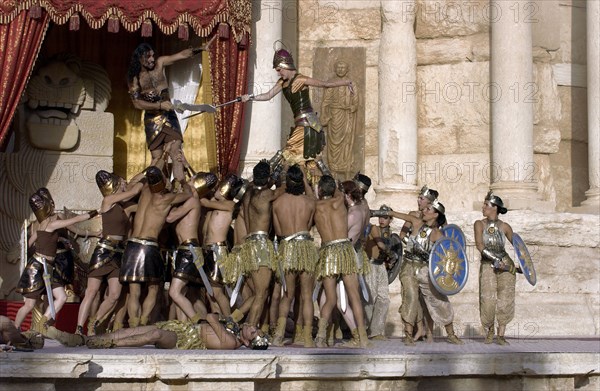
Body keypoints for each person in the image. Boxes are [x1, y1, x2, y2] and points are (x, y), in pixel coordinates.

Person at [241, 47, 354, 167]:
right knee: (302, 161)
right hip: (300, 123)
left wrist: (347, 82)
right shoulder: (282, 82)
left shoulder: (300, 79)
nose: (279, 73)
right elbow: (268, 95)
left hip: (307, 123)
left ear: (286, 66)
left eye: (279, 70)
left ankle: (266, 172)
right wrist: (250, 97)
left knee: (287, 151)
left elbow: (324, 84)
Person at [127, 42, 211, 190]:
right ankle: (154, 191)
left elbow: (182, 55)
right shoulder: (134, 77)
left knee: (176, 152)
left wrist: (201, 49)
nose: (153, 59)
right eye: (148, 56)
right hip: (152, 120)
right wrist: (159, 106)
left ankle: (180, 189)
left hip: (169, 116)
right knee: (157, 159)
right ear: (140, 58)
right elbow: (137, 104)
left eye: (153, 55)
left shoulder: (160, 64)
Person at [15, 189, 98, 332]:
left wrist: (51, 241)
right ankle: (14, 331)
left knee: (62, 297)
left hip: (48, 267)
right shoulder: (50, 224)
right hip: (38, 267)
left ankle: (42, 324)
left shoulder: (41, 224)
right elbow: (75, 220)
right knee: (29, 305)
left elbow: (29, 243)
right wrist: (96, 211)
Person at [120, 165, 192, 328]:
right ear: (163, 181)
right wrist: (182, 180)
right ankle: (144, 321)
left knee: (134, 291)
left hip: (132, 245)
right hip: (148, 246)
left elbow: (137, 180)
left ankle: (133, 326)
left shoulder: (144, 190)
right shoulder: (166, 198)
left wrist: (156, 163)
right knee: (153, 289)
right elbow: (188, 195)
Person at [384, 201, 463, 345]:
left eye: (428, 209)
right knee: (411, 298)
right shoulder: (416, 222)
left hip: (425, 270)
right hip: (408, 268)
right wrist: (386, 212)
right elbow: (399, 215)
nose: (424, 211)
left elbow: (448, 257)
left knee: (439, 300)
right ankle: (408, 335)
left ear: (435, 214)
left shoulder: (437, 234)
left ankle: (451, 334)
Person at [76, 170, 144, 336]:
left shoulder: (124, 206)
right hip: (104, 250)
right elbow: (134, 190)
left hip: (119, 253)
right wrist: (146, 176)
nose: (124, 185)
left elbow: (142, 204)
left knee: (114, 295)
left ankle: (94, 322)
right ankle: (78, 329)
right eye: (121, 183)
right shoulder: (108, 201)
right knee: (91, 292)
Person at [313, 175, 368, 348]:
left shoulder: (316, 206)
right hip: (345, 250)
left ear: (320, 190)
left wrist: (315, 190)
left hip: (329, 251)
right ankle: (362, 338)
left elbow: (317, 195)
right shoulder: (340, 203)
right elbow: (339, 191)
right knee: (354, 298)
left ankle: (321, 336)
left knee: (330, 297)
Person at [271, 165, 318, 347]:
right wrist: (306, 180)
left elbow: (278, 231)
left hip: (287, 247)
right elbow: (312, 215)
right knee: (306, 295)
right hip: (305, 246)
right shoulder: (309, 202)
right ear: (301, 181)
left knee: (287, 295)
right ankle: (307, 338)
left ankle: (279, 336)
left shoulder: (278, 203)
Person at [165, 172, 218, 323]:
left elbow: (170, 218)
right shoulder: (189, 199)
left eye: (193, 179)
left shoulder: (193, 200)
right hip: (185, 249)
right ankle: (184, 327)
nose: (190, 180)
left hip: (189, 250)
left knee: (174, 292)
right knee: (183, 292)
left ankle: (197, 323)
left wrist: (165, 203)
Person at [241, 161, 284, 328]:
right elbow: (286, 188)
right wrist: (279, 177)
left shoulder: (248, 193)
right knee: (261, 292)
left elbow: (253, 184)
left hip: (248, 243)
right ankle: (249, 328)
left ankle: (248, 325)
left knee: (259, 292)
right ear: (267, 178)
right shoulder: (267, 195)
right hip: (260, 246)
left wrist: (269, 178)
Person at [474, 191, 518, 345]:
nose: (483, 207)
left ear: (495, 208)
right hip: (488, 263)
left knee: (505, 298)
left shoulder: (505, 227)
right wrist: (494, 260)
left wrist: (522, 266)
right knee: (487, 299)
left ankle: (501, 334)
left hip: (505, 264)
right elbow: (480, 244)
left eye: (486, 205)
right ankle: (489, 330)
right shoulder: (479, 224)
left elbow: (518, 247)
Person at [199, 174, 245, 316]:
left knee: (218, 291)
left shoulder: (229, 205)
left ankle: (228, 322)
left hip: (217, 250)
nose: (217, 188)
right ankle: (219, 321)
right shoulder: (215, 201)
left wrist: (195, 190)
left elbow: (204, 203)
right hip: (207, 249)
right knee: (210, 293)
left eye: (219, 186)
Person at [398, 185, 439, 342]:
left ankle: (429, 331)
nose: (418, 200)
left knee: (428, 298)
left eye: (422, 198)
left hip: (427, 263)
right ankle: (417, 329)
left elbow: (443, 239)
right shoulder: (413, 215)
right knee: (411, 296)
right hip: (411, 261)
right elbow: (402, 235)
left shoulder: (434, 217)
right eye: (419, 197)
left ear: (429, 203)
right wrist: (415, 245)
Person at [320, 60, 360, 179]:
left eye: (343, 67)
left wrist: (352, 107)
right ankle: (333, 171)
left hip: (347, 117)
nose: (341, 69)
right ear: (335, 69)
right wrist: (324, 115)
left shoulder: (351, 83)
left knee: (347, 143)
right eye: (339, 67)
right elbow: (325, 102)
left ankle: (347, 171)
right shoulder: (331, 83)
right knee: (333, 143)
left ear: (347, 69)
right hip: (334, 117)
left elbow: (356, 100)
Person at [363, 204, 393, 340]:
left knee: (383, 298)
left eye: (385, 217)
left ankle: (376, 331)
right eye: (380, 216)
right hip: (370, 265)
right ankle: (363, 329)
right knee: (369, 297)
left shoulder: (390, 234)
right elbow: (380, 246)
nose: (382, 220)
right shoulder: (372, 228)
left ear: (390, 220)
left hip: (381, 267)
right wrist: (390, 252)